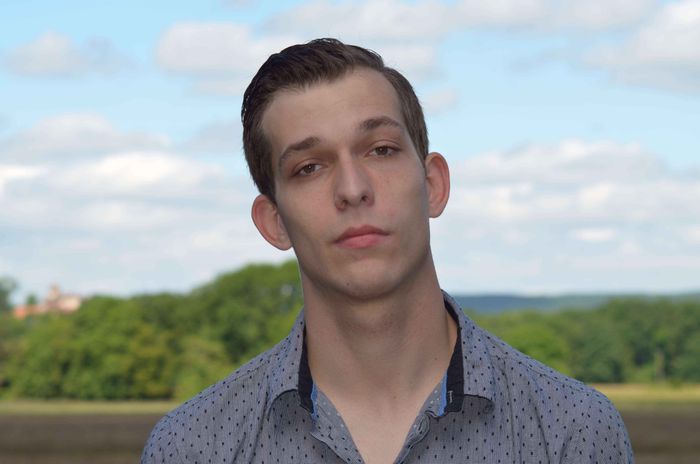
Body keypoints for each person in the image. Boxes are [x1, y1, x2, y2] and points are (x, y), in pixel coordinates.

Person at [142, 38, 633, 464]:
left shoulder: (574, 432)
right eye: (309, 167)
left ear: (433, 184)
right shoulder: (191, 448)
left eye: (380, 150)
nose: (353, 189)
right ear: (273, 222)